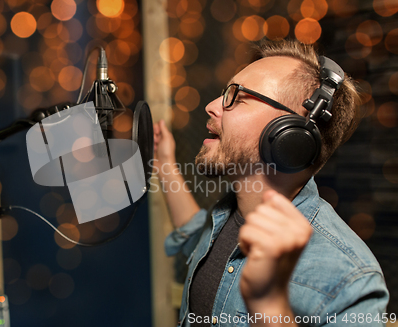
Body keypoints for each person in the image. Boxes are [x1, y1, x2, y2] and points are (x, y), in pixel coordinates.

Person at [153, 39, 389, 327]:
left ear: (291, 135)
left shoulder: (351, 280)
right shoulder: (227, 216)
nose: (212, 106)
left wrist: (269, 303)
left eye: (236, 97)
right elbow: (194, 235)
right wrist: (164, 162)